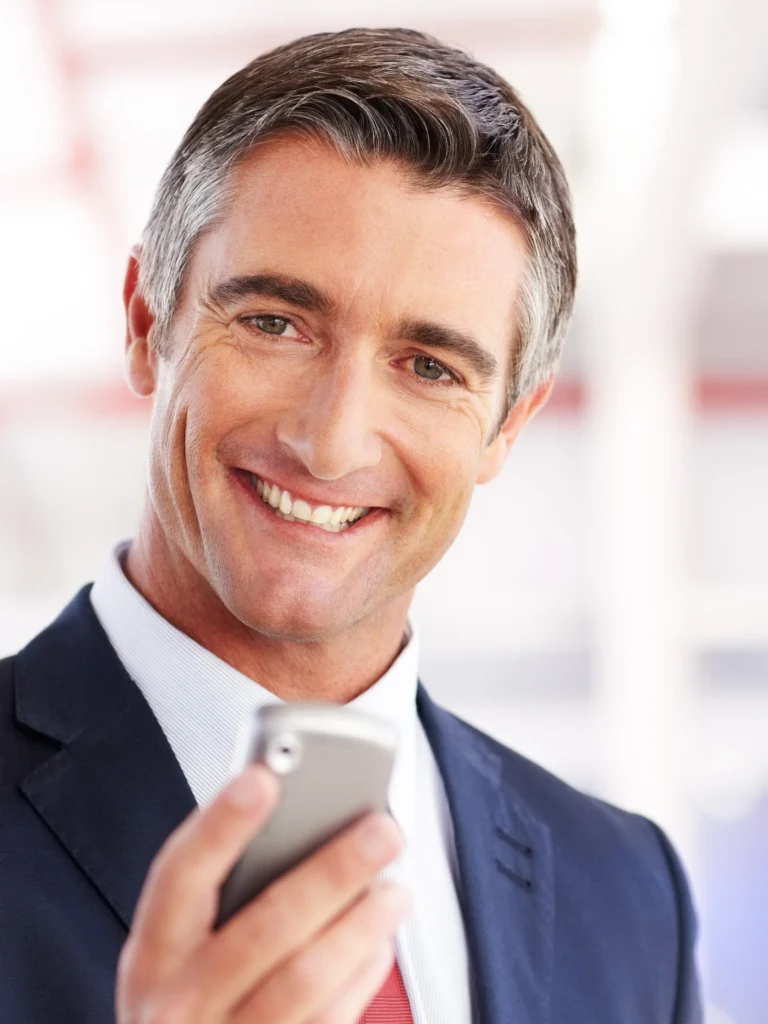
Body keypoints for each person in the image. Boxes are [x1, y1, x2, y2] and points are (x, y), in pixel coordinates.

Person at [0, 27, 702, 1024]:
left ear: (508, 424)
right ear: (146, 322)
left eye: (431, 367)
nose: (330, 444)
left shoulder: (626, 893)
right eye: (275, 322)